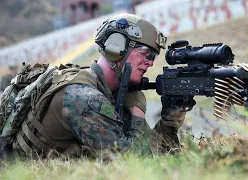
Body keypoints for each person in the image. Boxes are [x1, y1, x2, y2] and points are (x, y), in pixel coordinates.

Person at [4, 13, 192, 160]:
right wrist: (137, 116)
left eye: (154, 57)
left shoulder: (111, 91)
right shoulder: (84, 98)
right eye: (146, 54)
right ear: (116, 47)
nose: (150, 63)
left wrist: (170, 121)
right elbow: (134, 165)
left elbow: (157, 154)